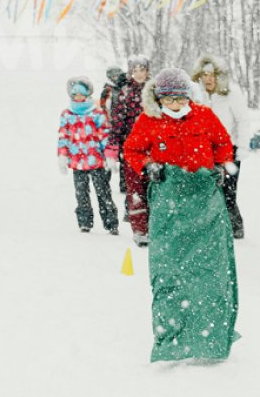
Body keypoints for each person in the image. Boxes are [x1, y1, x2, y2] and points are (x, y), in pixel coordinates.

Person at [123, 67, 238, 363]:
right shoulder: (149, 120)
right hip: (169, 204)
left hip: (204, 202)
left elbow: (223, 143)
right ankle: (174, 338)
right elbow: (132, 150)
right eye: (169, 99)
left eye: (180, 98)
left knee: (209, 270)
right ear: (159, 99)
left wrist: (223, 164)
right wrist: (149, 165)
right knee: (171, 270)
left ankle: (210, 337)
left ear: (188, 95)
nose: (175, 104)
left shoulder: (204, 115)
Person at [191, 55, 252, 239]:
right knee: (208, 190)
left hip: (229, 150)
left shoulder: (231, 93)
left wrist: (242, 147)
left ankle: (234, 227)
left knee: (228, 191)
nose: (209, 79)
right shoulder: (197, 95)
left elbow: (243, 120)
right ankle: (213, 227)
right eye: (205, 74)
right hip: (204, 151)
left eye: (213, 75)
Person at [57, 77, 118, 235]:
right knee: (81, 193)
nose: (78, 97)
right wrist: (62, 156)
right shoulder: (67, 114)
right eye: (75, 94)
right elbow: (63, 137)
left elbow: (105, 135)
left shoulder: (96, 113)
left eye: (81, 94)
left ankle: (111, 223)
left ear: (87, 95)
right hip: (78, 163)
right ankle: (85, 222)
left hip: (97, 161)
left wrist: (109, 155)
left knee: (103, 193)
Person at [107, 54, 150, 245]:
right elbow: (116, 123)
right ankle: (140, 229)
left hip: (154, 149)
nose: (139, 74)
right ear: (130, 72)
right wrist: (112, 149)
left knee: (154, 190)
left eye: (142, 70)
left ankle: (155, 226)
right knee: (135, 192)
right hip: (131, 149)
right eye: (135, 70)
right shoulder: (124, 93)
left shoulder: (154, 90)